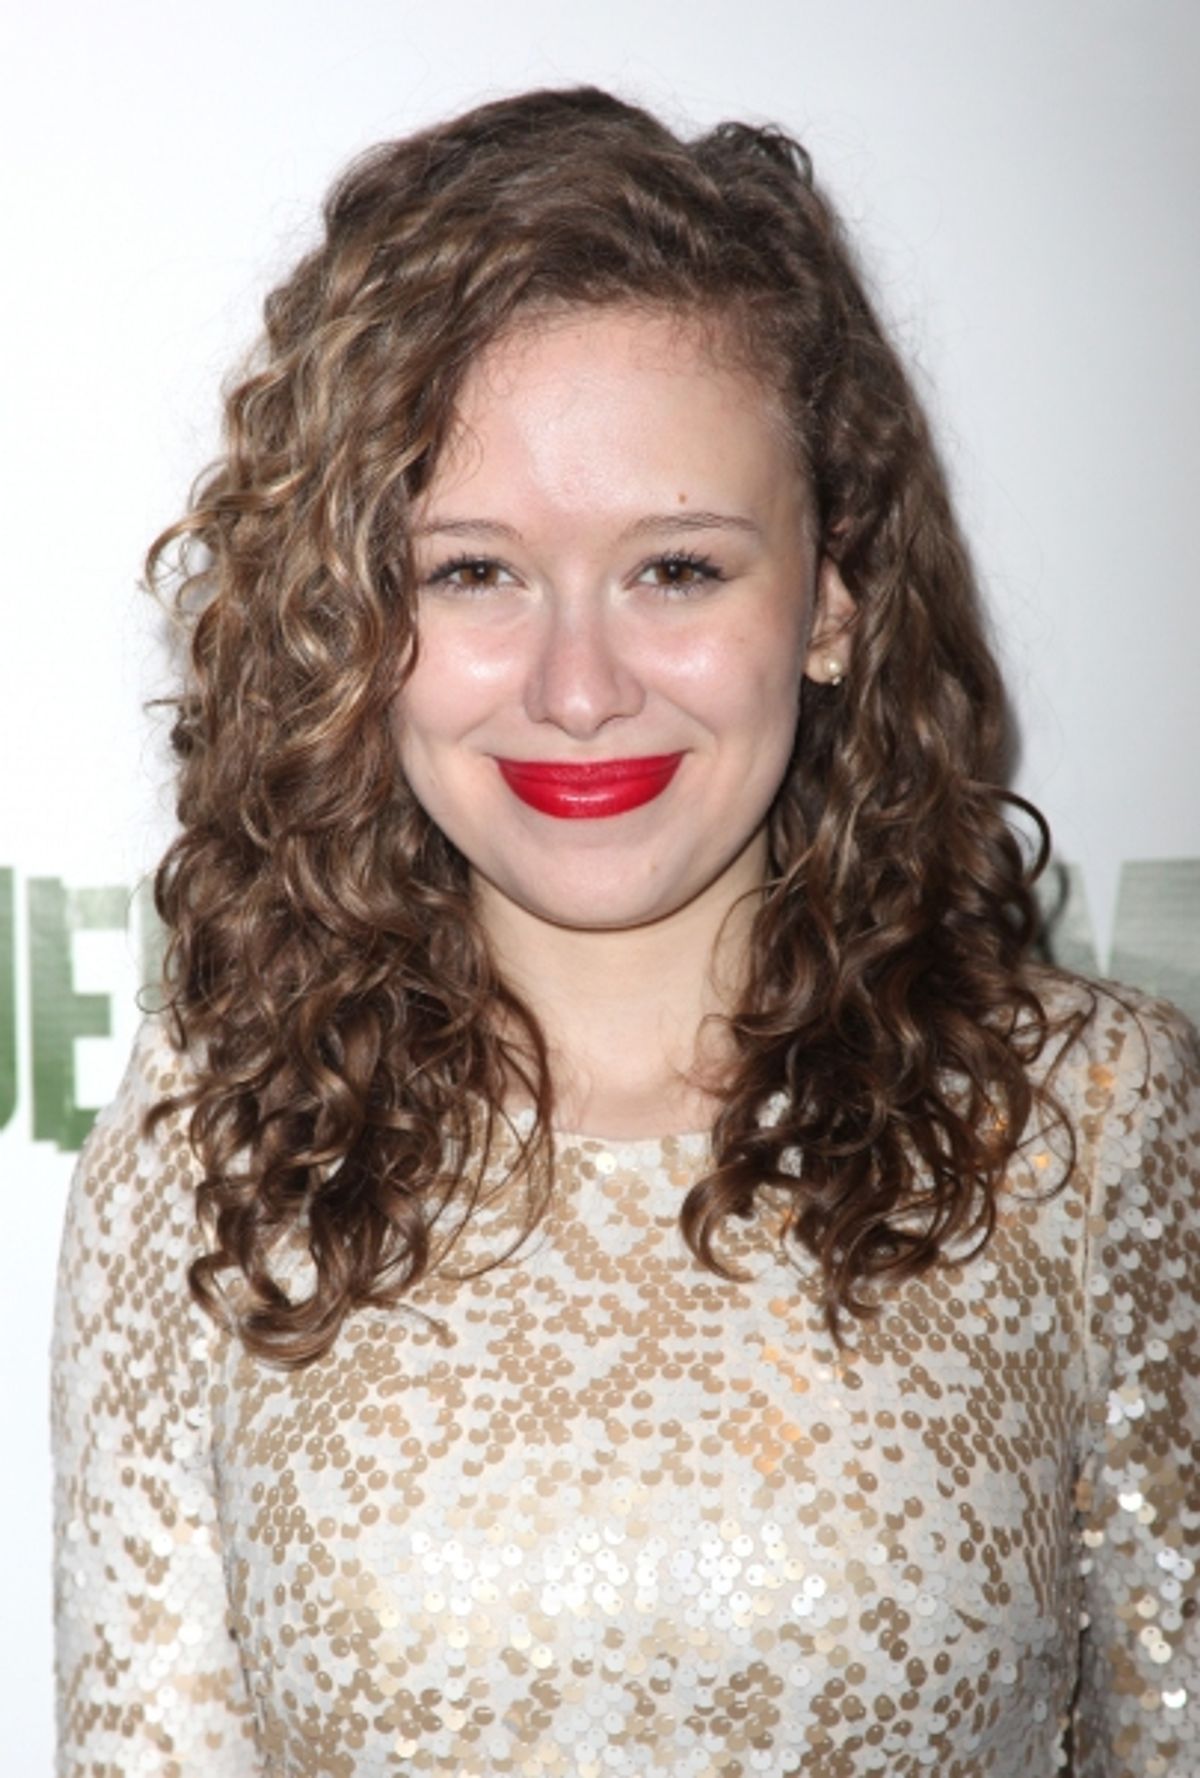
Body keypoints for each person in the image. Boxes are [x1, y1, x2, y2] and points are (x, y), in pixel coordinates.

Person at [51, 85, 1198, 1777]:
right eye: (472, 572)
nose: (578, 688)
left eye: (677, 569)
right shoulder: (207, 1148)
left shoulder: (1091, 1123)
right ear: (355, 619)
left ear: (832, 596)